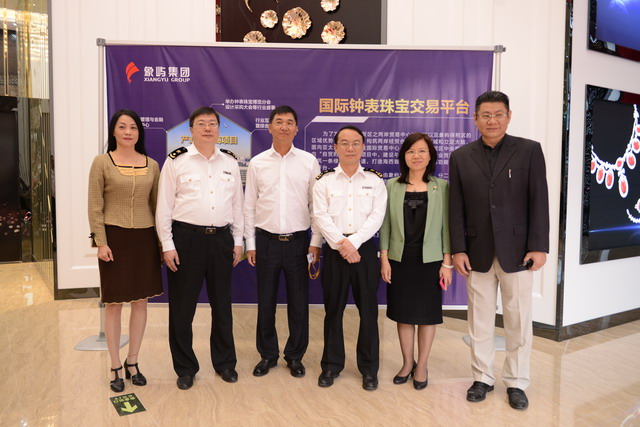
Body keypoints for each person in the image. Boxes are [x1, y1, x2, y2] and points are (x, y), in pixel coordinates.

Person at [448, 91, 549, 410]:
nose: (492, 121)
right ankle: (482, 377)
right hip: (476, 250)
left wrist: (539, 246)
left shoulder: (529, 151)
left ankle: (517, 381)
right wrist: (458, 249)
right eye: (486, 115)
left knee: (518, 319)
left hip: (518, 252)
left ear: (508, 116)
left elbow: (539, 200)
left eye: (498, 114)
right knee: (479, 320)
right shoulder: (461, 156)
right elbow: (455, 207)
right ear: (475, 119)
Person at [156, 106, 244, 390]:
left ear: (219, 129)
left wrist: (238, 240)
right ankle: (185, 368)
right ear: (191, 129)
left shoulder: (229, 162)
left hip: (221, 240)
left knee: (222, 307)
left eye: (212, 124)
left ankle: (225, 363)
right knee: (182, 309)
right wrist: (167, 245)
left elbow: (237, 206)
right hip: (186, 240)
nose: (208, 128)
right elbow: (164, 207)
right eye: (202, 124)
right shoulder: (177, 161)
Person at [88, 109, 163, 393]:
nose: (128, 132)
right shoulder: (102, 162)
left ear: (139, 132)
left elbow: (157, 207)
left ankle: (133, 361)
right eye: (122, 127)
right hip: (114, 239)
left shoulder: (151, 165)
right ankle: (115, 365)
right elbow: (95, 205)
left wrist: (161, 245)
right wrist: (101, 242)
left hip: (144, 238)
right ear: (114, 131)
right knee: (114, 303)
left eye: (133, 127)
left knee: (141, 302)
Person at [244, 105, 321, 378]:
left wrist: (315, 242)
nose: (284, 126)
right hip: (266, 241)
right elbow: (249, 206)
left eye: (290, 122)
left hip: (299, 242)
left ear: (297, 129)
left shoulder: (309, 162)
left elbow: (316, 206)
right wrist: (250, 244)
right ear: (270, 127)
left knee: (298, 303)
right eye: (279, 122)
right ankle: (267, 355)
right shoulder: (257, 163)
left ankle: (295, 356)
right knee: (265, 302)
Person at [312, 125, 387, 391]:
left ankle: (369, 369)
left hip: (364, 249)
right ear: (335, 148)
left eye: (355, 143)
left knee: (368, 311)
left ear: (363, 147)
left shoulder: (375, 181)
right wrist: (341, 244)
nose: (350, 148)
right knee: (333, 311)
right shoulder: (324, 181)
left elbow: (377, 217)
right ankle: (331, 366)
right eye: (344, 143)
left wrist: (353, 243)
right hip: (335, 250)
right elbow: (320, 216)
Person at [379, 132, 452, 390]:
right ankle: (407, 363)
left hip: (431, 261)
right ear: (404, 156)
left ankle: (422, 365)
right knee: (404, 314)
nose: (416, 156)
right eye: (411, 151)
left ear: (430, 156)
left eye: (422, 151)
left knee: (427, 316)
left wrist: (447, 263)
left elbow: (447, 228)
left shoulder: (441, 187)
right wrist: (384, 258)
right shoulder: (391, 186)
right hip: (400, 260)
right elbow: (385, 226)